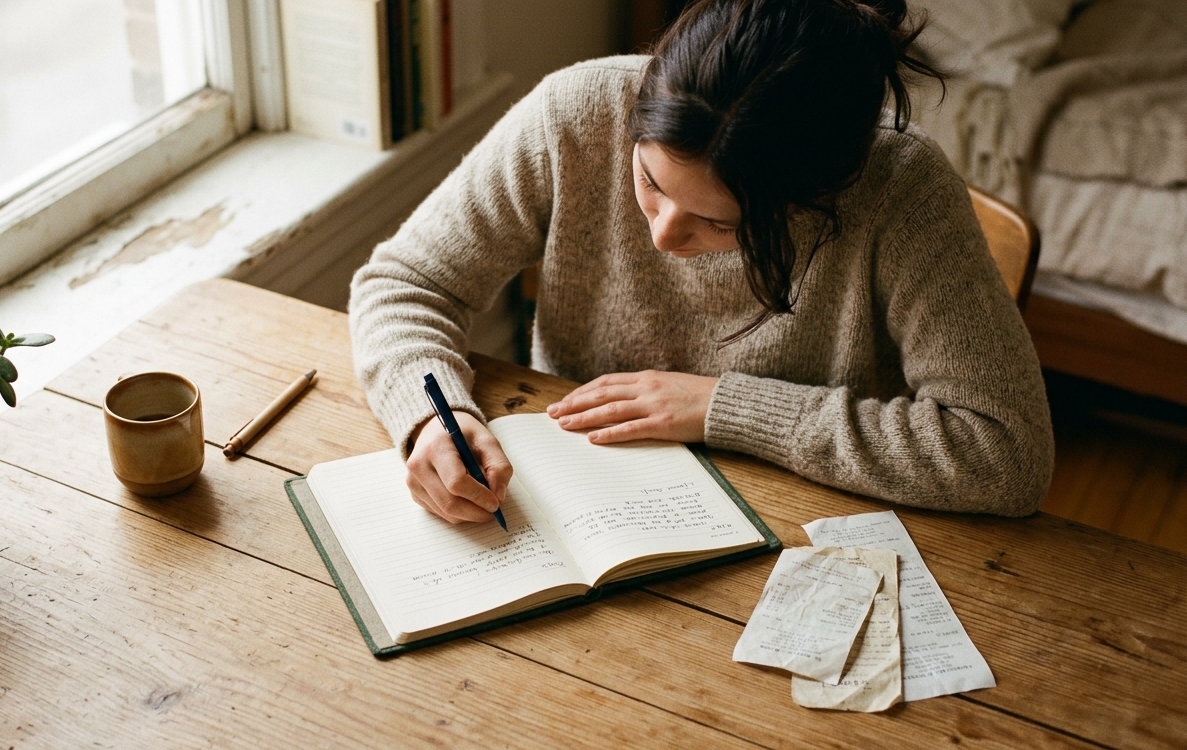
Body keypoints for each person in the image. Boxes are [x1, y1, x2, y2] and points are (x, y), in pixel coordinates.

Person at [348, 0, 1055, 525]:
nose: (661, 237)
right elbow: (405, 283)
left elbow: (1005, 453)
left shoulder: (901, 190)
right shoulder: (580, 112)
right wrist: (428, 413)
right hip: (582, 500)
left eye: (720, 222)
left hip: (805, 520)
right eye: (650, 184)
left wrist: (726, 406)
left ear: (818, 199)